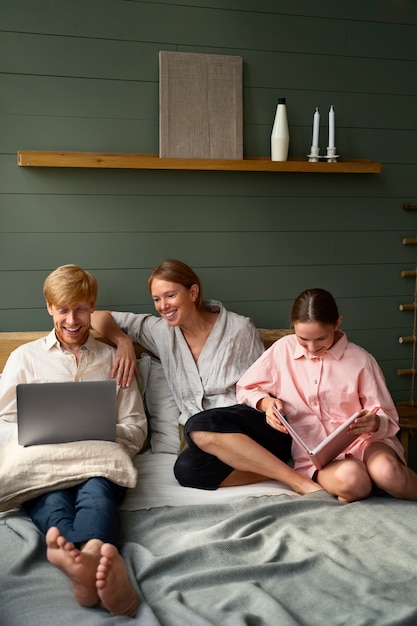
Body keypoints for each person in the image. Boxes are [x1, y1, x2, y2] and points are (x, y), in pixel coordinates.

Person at [91, 259, 321, 496]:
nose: (163, 306)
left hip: (251, 425)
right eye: (156, 299)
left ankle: (296, 481)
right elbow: (96, 316)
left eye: (170, 295)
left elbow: (264, 386)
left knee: (198, 422)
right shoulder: (159, 331)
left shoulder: (239, 328)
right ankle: (280, 469)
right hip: (204, 439)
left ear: (193, 292)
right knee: (186, 470)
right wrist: (123, 340)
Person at [0, 265, 148, 617]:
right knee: (50, 494)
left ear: (92, 307)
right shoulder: (25, 358)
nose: (72, 319)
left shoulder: (114, 358)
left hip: (98, 457)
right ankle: (91, 553)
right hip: (43, 458)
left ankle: (85, 560)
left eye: (81, 308)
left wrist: (104, 435)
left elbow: (135, 424)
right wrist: (34, 437)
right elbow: (3, 418)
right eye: (63, 309)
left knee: (96, 492)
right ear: (50, 307)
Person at [236, 287, 417, 503]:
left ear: (337, 323)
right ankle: (363, 487)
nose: (312, 348)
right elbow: (245, 387)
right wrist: (266, 404)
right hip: (318, 458)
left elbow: (387, 416)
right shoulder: (282, 350)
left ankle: (375, 483)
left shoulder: (361, 360)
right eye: (303, 339)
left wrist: (375, 422)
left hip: (367, 443)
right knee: (354, 481)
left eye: (321, 338)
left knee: (388, 474)